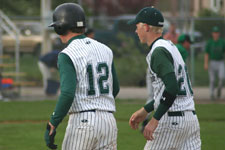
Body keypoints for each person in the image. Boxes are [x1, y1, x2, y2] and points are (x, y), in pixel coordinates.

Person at [44, 3, 120, 150]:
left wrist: (53, 121)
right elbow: (114, 88)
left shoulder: (67, 54)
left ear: (60, 27)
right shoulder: (105, 49)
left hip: (83, 121)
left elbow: (67, 93)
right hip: (109, 121)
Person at [128, 7, 201, 150]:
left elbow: (172, 88)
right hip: (190, 119)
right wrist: (145, 110)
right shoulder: (170, 46)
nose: (136, 31)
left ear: (147, 27)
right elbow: (168, 91)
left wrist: (155, 119)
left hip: (171, 120)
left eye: (137, 27)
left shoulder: (158, 52)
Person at [204, 26, 225, 100]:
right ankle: (212, 94)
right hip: (212, 62)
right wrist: (206, 63)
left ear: (219, 33)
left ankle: (219, 89)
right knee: (212, 80)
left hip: (220, 62)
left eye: (217, 32)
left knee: (222, 78)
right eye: (214, 32)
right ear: (212, 33)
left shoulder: (222, 41)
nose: (215, 34)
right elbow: (207, 54)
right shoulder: (210, 42)